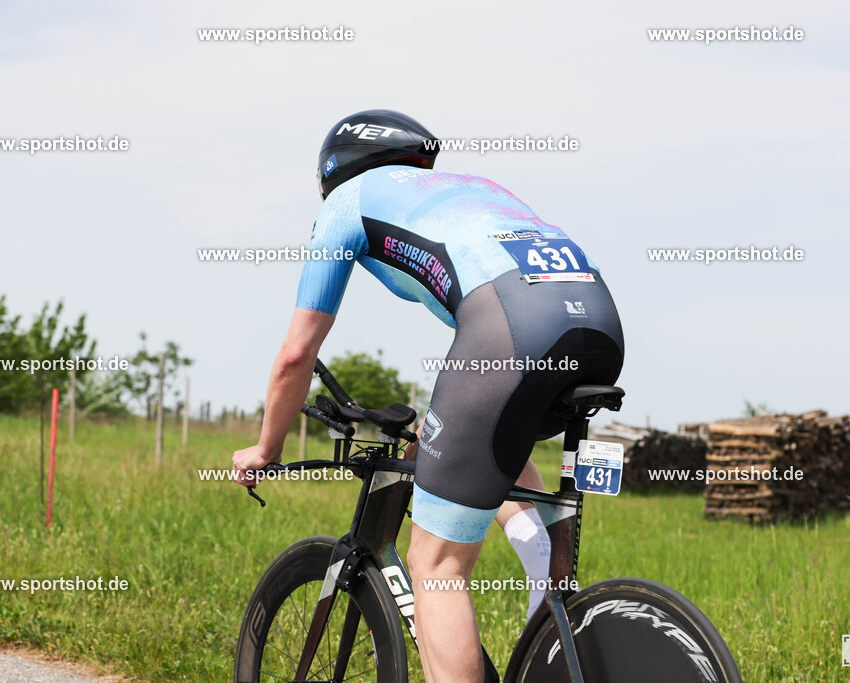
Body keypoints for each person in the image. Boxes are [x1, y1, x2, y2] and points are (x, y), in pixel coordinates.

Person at [232, 110, 624, 683]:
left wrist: (264, 450)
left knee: (434, 566)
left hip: (510, 329)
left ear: (334, 174)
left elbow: (297, 353)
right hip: (599, 326)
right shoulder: (476, 188)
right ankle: (547, 585)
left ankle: (542, 589)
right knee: (487, 449)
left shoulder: (348, 201)